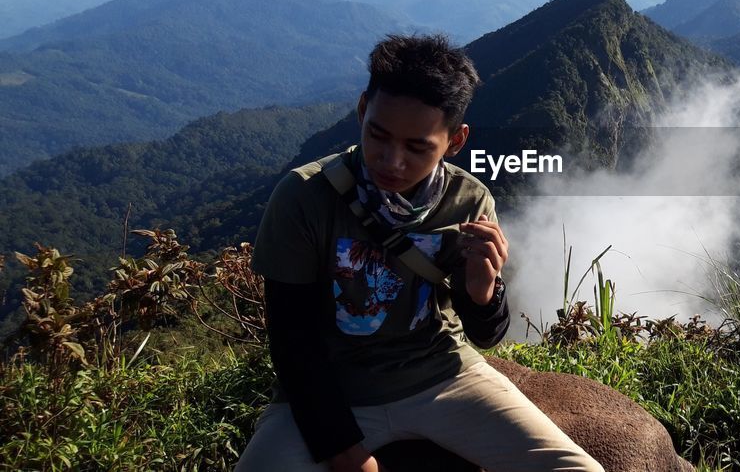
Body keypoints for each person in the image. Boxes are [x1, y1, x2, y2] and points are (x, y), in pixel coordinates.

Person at [236, 34, 602, 471]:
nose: (392, 161)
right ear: (361, 111)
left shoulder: (469, 201)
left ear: (455, 141)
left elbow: (486, 336)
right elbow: (292, 340)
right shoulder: (304, 196)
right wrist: (344, 451)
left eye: (417, 147)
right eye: (379, 135)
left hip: (443, 377)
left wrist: (484, 293)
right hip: (335, 388)